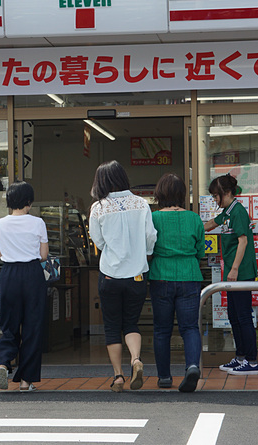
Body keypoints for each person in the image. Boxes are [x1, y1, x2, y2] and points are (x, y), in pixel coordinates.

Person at [88, 160, 157, 392]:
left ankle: (118, 377)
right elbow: (150, 236)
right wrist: (143, 254)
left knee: (111, 326)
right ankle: (136, 360)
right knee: (130, 323)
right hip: (137, 274)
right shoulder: (141, 204)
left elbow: (98, 241)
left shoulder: (98, 207)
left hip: (110, 275)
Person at [149, 173, 205, 392]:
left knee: (162, 329)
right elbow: (200, 250)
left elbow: (148, 249)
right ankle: (192, 366)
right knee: (190, 327)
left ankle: (164, 377)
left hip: (161, 275)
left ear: (160, 193)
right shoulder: (194, 218)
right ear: (182, 194)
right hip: (190, 275)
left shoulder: (154, 218)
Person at [0, 181, 48, 392]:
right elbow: (43, 255)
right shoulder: (37, 223)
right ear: (28, 201)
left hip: (9, 274)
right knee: (33, 328)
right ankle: (26, 380)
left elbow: (0, 253)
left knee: (9, 325)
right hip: (32, 274)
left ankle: (3, 363)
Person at [204, 174, 258, 376]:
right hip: (232, 272)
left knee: (243, 316)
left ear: (226, 193)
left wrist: (235, 269)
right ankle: (240, 357)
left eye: (215, 195)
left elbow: (243, 241)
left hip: (241, 272)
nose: (214, 200)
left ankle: (252, 362)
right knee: (233, 316)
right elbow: (211, 224)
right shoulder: (227, 212)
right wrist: (190, 229)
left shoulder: (238, 212)